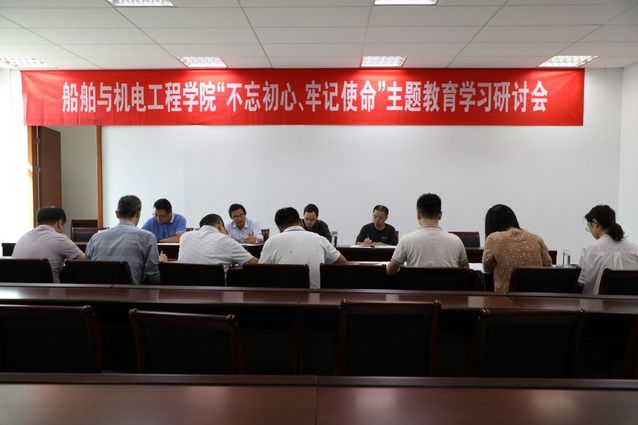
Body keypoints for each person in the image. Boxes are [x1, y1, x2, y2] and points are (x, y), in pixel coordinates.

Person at [86, 195, 167, 284]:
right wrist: (162, 263)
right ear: (138, 213)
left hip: (98, 291)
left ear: (117, 214)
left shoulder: (95, 238)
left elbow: (88, 270)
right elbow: (154, 279)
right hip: (131, 292)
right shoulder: (148, 238)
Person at [259, 207, 347, 288]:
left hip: (284, 296)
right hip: (315, 296)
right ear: (301, 222)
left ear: (279, 228)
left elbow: (261, 272)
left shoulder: (271, 242)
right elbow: (343, 262)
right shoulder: (320, 239)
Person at [387, 193, 468, 276]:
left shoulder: (406, 240)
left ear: (418, 214)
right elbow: (465, 269)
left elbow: (390, 271)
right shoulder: (456, 240)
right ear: (440, 215)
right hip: (448, 284)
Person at [481, 204, 552, 293]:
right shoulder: (536, 238)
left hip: (505, 297)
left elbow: (487, 267)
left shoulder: (493, 238)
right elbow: (548, 265)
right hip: (535, 296)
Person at [12, 206, 85, 283]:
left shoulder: (23, 237)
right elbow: (86, 261)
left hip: (18, 289)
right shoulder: (60, 239)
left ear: (38, 222)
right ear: (60, 223)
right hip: (49, 290)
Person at [578, 205, 638, 294]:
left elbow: (580, 284)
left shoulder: (589, 249)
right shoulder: (635, 249)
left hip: (596, 302)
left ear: (594, 223)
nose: (590, 232)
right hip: (630, 302)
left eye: (588, 227)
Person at [178, 213, 258, 272]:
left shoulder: (185, 236)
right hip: (214, 289)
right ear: (220, 225)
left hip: (183, 288)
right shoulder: (225, 240)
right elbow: (255, 263)